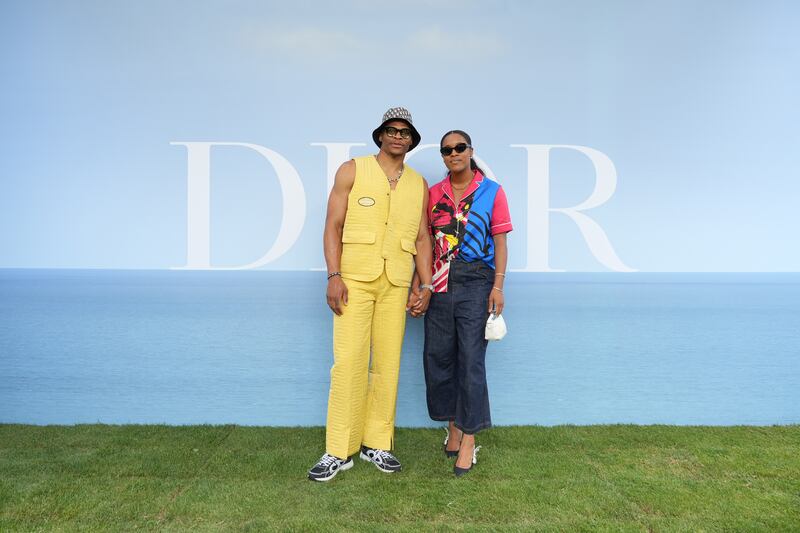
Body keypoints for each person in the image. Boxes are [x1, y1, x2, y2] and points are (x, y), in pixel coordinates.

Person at [308, 107, 433, 482]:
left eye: (405, 132)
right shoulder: (352, 170)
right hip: (355, 281)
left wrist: (424, 284)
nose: (399, 137)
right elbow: (333, 225)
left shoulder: (418, 183)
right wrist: (334, 275)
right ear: (380, 135)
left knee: (388, 365)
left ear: (411, 141)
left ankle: (376, 443)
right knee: (348, 363)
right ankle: (338, 450)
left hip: (396, 282)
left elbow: (423, 238)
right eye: (392, 130)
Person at [409, 129, 512, 477]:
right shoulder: (433, 193)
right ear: (442, 156)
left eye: (459, 148)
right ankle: (452, 427)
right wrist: (418, 286)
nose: (453, 154)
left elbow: (500, 242)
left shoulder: (492, 192)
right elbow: (424, 242)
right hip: (437, 281)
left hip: (477, 280)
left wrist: (498, 286)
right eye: (446, 150)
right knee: (438, 358)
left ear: (470, 151)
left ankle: (468, 440)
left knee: (470, 361)